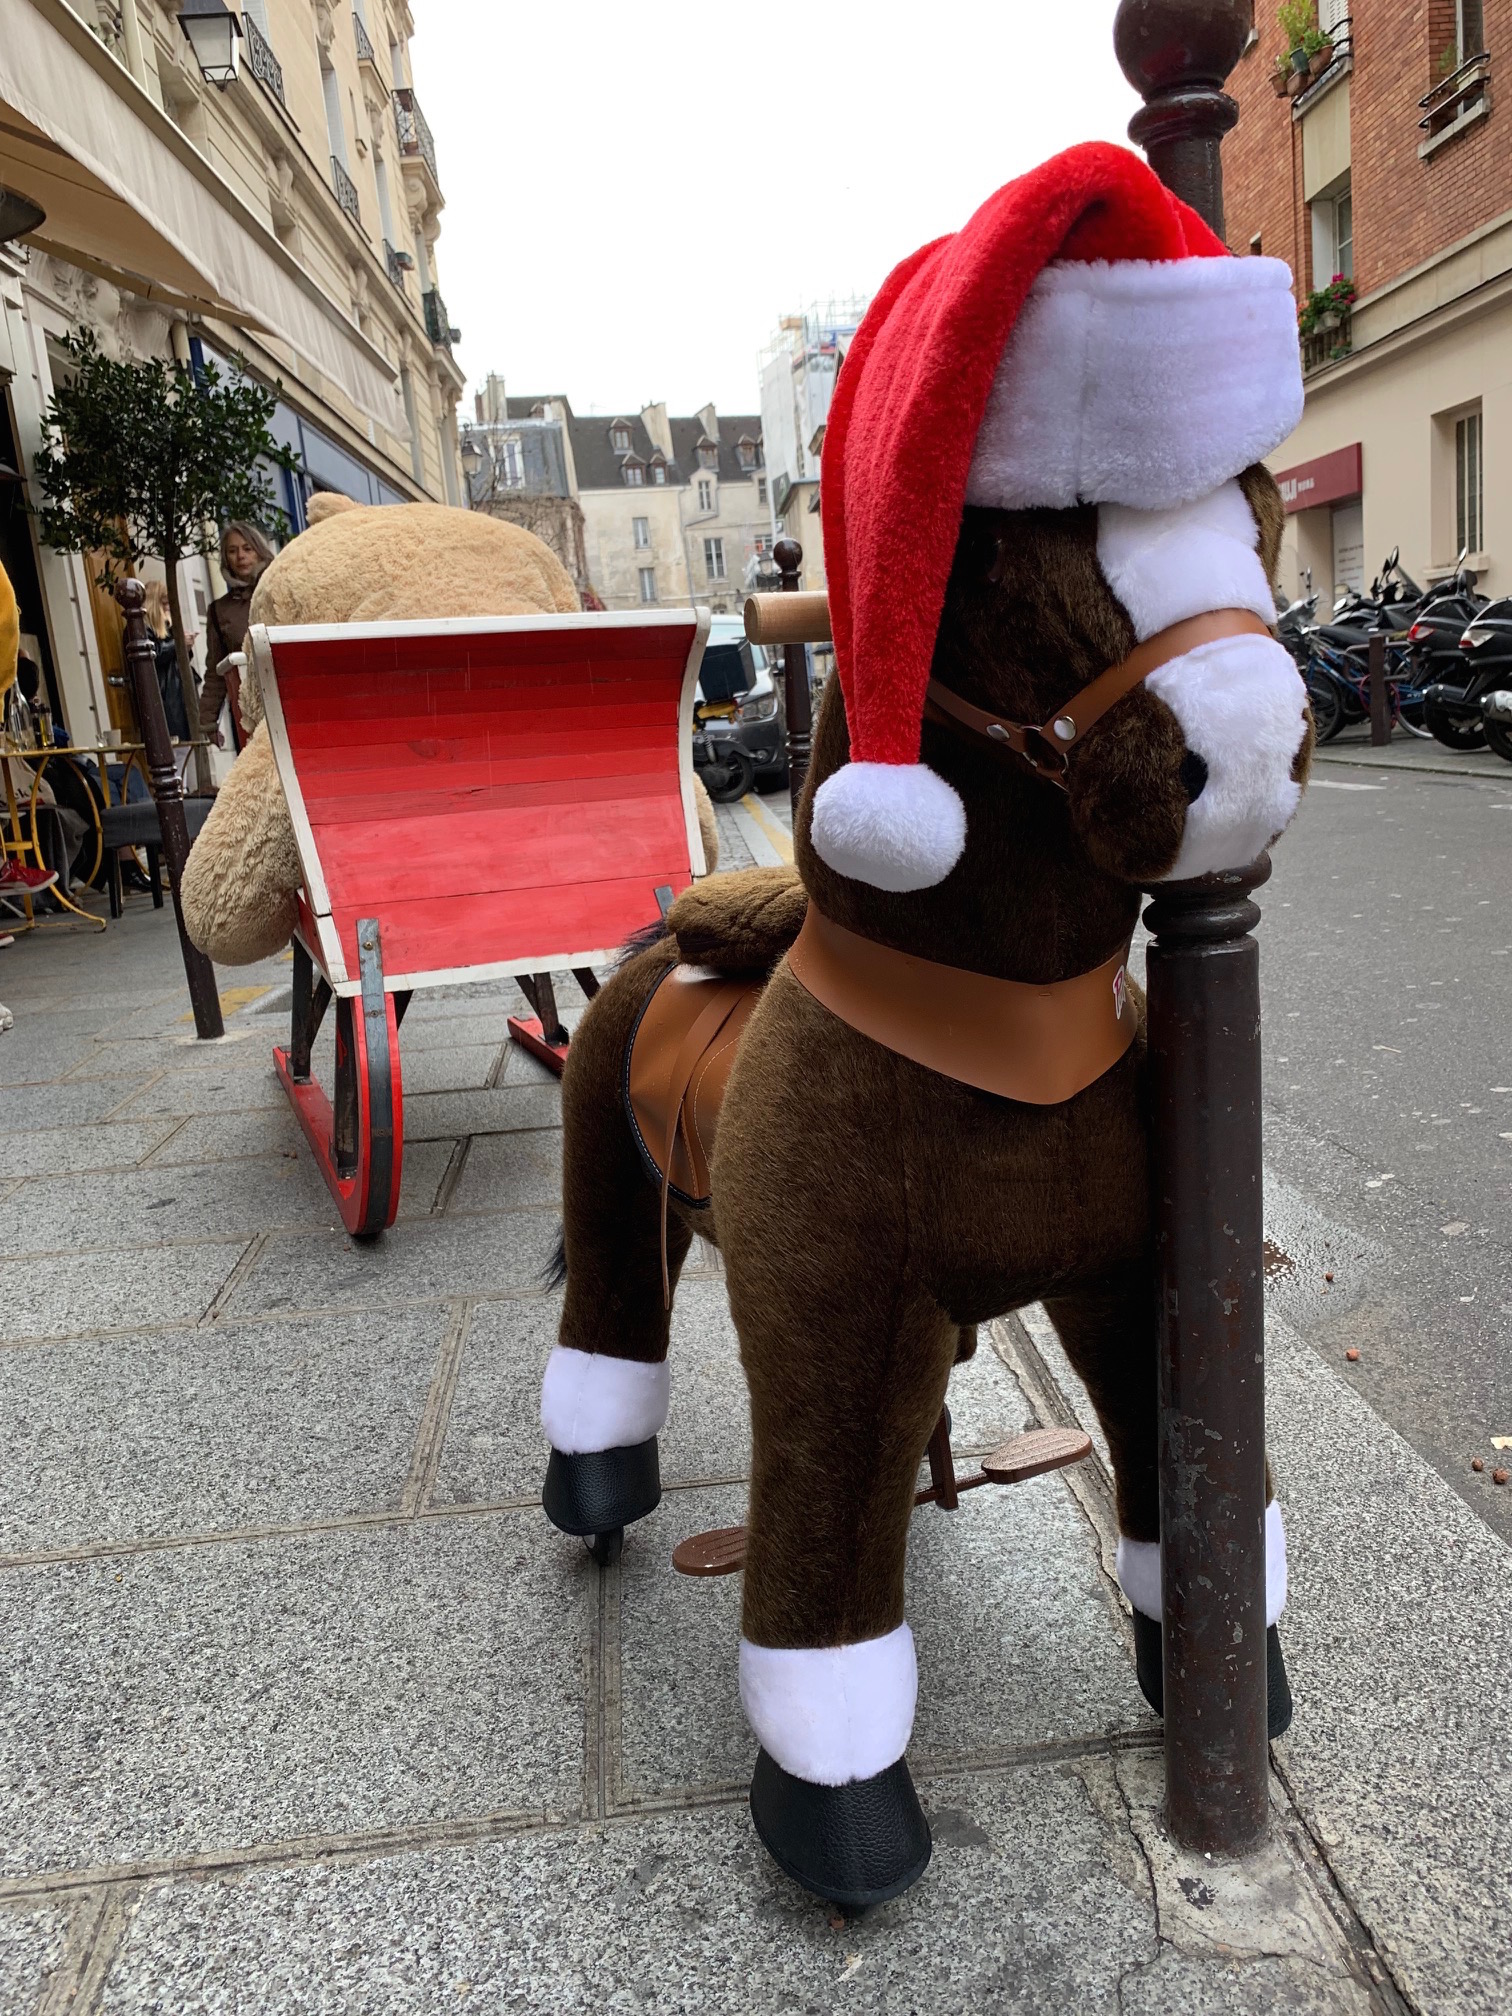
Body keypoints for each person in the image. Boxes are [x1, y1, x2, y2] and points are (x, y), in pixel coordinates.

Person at [198, 522, 274, 750]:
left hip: (289, 698)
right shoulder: (220, 610)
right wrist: (208, 722)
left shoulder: (277, 589)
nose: (240, 556)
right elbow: (215, 670)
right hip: (247, 711)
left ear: (259, 551)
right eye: (232, 551)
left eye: (247, 548)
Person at [141, 579, 192, 741]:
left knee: (185, 749)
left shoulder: (165, 627)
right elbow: (155, 654)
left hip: (176, 693)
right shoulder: (144, 628)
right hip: (166, 696)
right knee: (177, 749)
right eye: (164, 603)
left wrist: (186, 647)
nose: (168, 608)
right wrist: (179, 643)